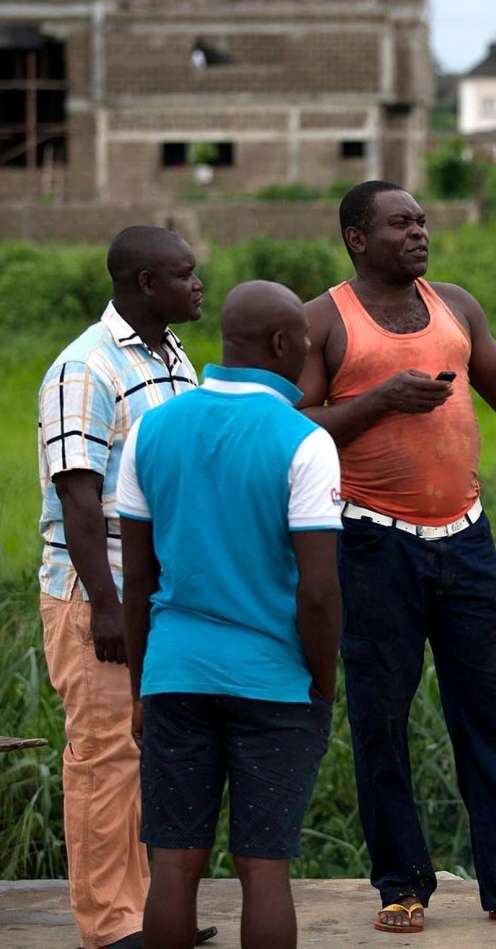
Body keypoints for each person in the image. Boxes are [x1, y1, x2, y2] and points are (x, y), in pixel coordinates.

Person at [297, 180, 496, 932]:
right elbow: (293, 430)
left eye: (423, 220)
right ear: (357, 239)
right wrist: (378, 401)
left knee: (492, 715)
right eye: (400, 224)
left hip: (466, 540)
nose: (419, 232)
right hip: (370, 544)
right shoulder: (324, 320)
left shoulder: (455, 304)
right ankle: (402, 887)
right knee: (381, 720)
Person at [117, 280, 343, 949]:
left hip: (173, 676)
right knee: (263, 867)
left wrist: (140, 686)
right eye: (303, 343)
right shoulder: (304, 441)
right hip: (274, 683)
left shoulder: (153, 428)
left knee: (174, 863)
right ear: (281, 344)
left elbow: (138, 578)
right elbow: (319, 593)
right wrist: (322, 684)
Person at [37, 225, 216, 949]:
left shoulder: (173, 356)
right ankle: (112, 927)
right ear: (146, 284)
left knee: (153, 756)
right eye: (184, 274)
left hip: (157, 593)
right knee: (105, 757)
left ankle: (150, 915)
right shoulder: (84, 369)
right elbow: (80, 503)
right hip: (99, 595)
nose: (198, 283)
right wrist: (107, 610)